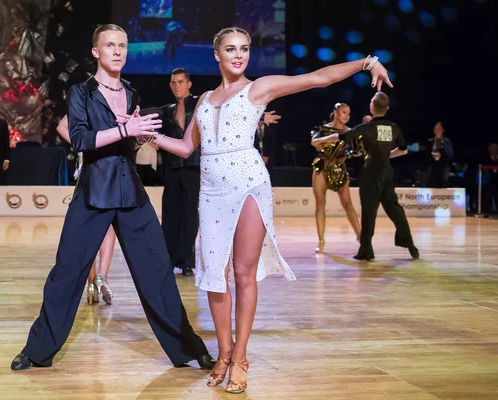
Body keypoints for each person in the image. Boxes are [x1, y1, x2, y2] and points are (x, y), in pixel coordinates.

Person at [152, 27, 392, 393]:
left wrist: (367, 62)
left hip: (249, 183)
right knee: (216, 273)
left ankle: (241, 356)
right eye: (230, 49)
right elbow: (186, 148)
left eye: (244, 49)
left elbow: (315, 79)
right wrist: (149, 136)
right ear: (217, 55)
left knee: (242, 271)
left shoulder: (258, 88)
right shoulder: (202, 100)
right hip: (213, 190)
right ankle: (223, 352)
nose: (238, 55)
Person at [10, 24, 214, 372]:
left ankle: (189, 349)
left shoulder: (132, 93)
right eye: (110, 45)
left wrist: (139, 134)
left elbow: (128, 142)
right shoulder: (82, 93)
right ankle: (37, 350)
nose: (117, 51)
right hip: (94, 192)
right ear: (96, 52)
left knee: (158, 273)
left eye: (123, 45)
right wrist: (124, 130)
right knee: (67, 273)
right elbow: (78, 138)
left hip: (130, 193)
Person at [314, 92, 419, 261]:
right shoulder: (394, 127)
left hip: (371, 172)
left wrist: (321, 140)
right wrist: (386, 156)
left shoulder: (366, 128)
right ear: (387, 108)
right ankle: (411, 245)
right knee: (395, 209)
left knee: (369, 211)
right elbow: (404, 149)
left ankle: (366, 251)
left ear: (372, 107)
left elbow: (341, 137)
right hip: (386, 171)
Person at [57, 115, 116, 305]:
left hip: (89, 168)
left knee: (89, 226)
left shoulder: (83, 97)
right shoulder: (113, 97)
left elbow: (61, 127)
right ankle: (101, 277)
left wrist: (81, 142)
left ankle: (92, 284)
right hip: (108, 166)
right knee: (108, 225)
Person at [160, 68, 201, 277]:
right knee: (170, 214)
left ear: (189, 83)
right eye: (173, 82)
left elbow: (224, 110)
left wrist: (259, 117)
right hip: (173, 168)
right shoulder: (167, 110)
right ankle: (168, 258)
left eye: (181, 82)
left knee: (190, 215)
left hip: (194, 167)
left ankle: (186, 260)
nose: (177, 86)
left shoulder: (200, 104)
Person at [310, 102, 361, 253]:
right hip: (322, 168)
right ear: (336, 113)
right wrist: (326, 140)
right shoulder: (324, 129)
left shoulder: (350, 132)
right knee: (320, 204)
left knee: (347, 204)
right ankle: (321, 240)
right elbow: (314, 141)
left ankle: (360, 237)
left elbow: (358, 150)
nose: (347, 116)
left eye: (349, 113)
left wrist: (347, 154)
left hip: (339, 170)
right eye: (344, 112)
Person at [427, 121, 453, 188]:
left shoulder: (447, 141)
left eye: (439, 129)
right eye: (435, 129)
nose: (437, 130)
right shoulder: (430, 141)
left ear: (442, 130)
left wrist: (441, 155)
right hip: (432, 168)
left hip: (443, 168)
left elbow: (450, 154)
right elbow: (426, 154)